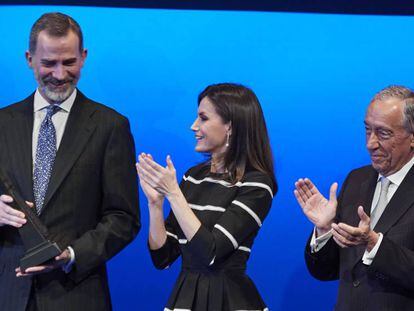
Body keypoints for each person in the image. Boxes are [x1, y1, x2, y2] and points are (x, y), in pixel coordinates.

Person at [0, 12, 140, 310]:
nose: (60, 74)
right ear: (29, 58)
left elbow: (123, 218)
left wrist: (72, 254)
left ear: (84, 57)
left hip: (76, 294)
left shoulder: (110, 126)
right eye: (49, 63)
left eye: (69, 62)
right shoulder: (2, 123)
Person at [137, 83, 277, 311]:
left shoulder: (257, 185)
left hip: (229, 299)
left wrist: (173, 193)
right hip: (185, 297)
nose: (194, 126)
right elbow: (162, 258)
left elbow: (211, 252)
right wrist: (156, 204)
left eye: (203, 118)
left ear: (230, 126)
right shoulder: (193, 177)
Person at [294, 85, 414, 310]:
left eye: (383, 133)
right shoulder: (357, 180)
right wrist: (324, 230)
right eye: (368, 130)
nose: (370, 143)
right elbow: (326, 271)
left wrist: (374, 244)